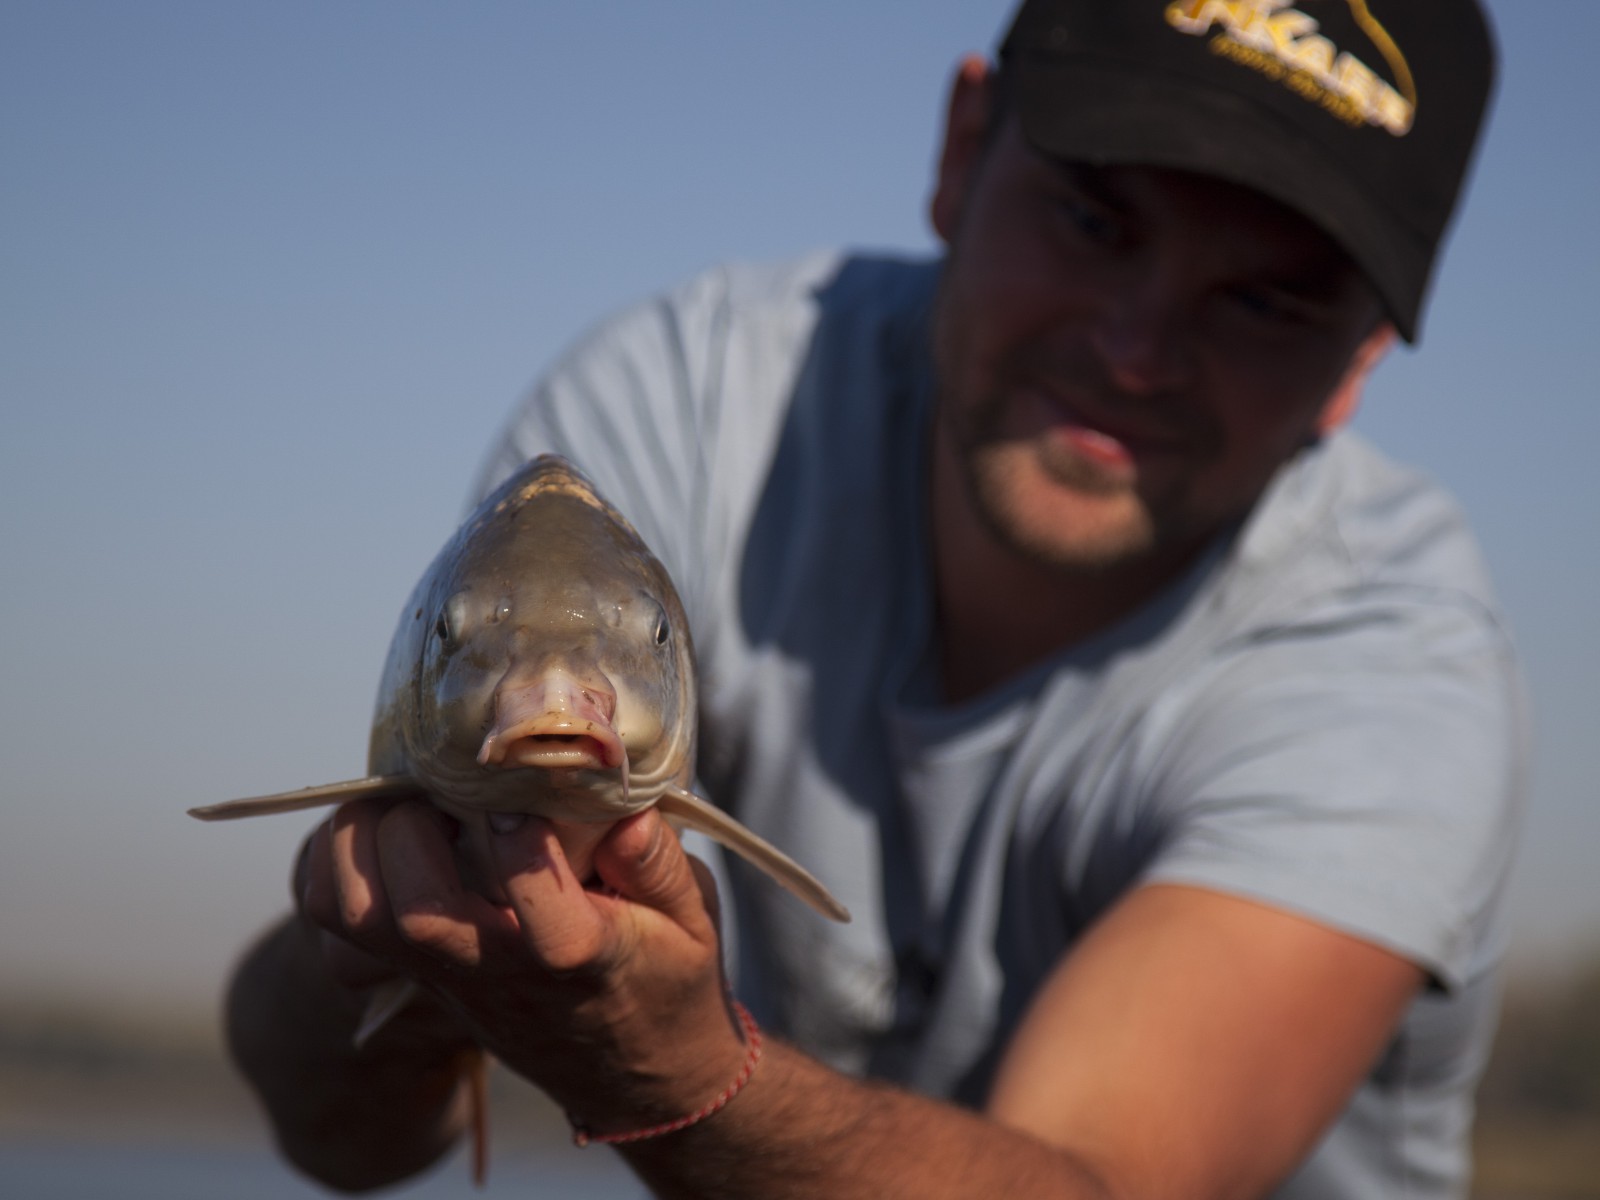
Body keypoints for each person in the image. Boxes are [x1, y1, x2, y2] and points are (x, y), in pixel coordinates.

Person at [225, 2, 1525, 1196]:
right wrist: (397, 938)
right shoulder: (687, 414)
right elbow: (346, 1141)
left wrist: (680, 1080)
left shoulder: (1393, 670)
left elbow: (1099, 1182)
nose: (1136, 354)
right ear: (961, 150)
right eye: (1094, 221)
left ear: (1359, 360)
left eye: (1265, 301)